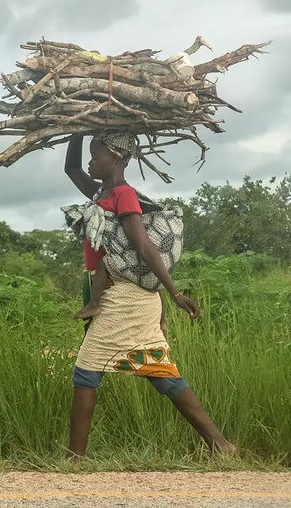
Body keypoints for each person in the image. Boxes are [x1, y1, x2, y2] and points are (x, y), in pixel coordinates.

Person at [63, 132, 236, 458]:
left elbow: (144, 247)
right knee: (160, 373)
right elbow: (71, 169)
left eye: (95, 156)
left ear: (114, 159)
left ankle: (74, 459)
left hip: (125, 297)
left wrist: (174, 293)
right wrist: (77, 129)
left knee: (86, 371)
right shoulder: (103, 192)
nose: (90, 162)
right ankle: (221, 445)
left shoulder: (124, 196)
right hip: (120, 293)